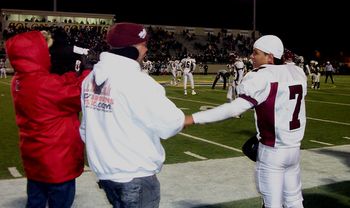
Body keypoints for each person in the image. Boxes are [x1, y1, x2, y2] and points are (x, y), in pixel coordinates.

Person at [185, 35, 307, 208]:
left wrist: (194, 118)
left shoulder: (261, 76)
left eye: (256, 53)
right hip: (294, 150)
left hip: (272, 152)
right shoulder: (296, 72)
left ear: (269, 57)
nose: (251, 56)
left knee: (272, 204)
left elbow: (234, 109)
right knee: (295, 201)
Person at [79, 22, 185, 208]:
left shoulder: (89, 79)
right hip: (134, 174)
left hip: (106, 173)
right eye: (144, 44)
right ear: (134, 47)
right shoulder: (137, 81)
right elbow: (171, 124)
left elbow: (84, 130)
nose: (146, 49)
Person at [5, 31, 90, 208]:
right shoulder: (45, 85)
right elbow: (79, 95)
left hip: (35, 157)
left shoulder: (19, 80)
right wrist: (87, 72)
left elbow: (58, 84)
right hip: (57, 161)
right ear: (35, 53)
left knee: (35, 201)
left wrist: (73, 75)